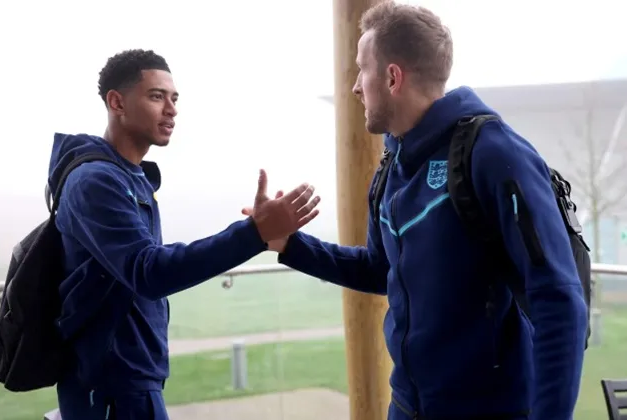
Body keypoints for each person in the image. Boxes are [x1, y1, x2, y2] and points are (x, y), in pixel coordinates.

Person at [244, 2, 588, 419]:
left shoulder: (494, 153)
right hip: (407, 408)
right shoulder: (391, 169)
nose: (355, 87)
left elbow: (559, 298)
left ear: (392, 77)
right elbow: (378, 269)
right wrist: (290, 245)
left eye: (361, 70)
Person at [50, 49, 321, 419]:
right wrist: (253, 234)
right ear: (117, 102)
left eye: (174, 98)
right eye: (156, 96)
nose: (172, 109)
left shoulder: (129, 177)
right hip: (110, 386)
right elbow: (149, 271)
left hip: (130, 379)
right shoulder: (95, 181)